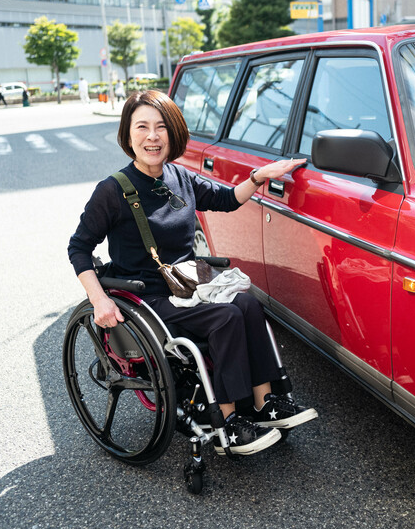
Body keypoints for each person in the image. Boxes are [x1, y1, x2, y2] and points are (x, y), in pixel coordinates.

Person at [68, 90, 317, 456]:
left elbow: (227, 200)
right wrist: (99, 299)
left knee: (248, 305)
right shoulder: (111, 191)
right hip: (147, 296)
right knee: (227, 317)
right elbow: (79, 247)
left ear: (174, 133)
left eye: (161, 127)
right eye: (142, 127)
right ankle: (229, 423)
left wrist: (259, 175)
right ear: (128, 134)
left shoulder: (179, 177)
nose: (152, 136)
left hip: (187, 287)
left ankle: (266, 404)